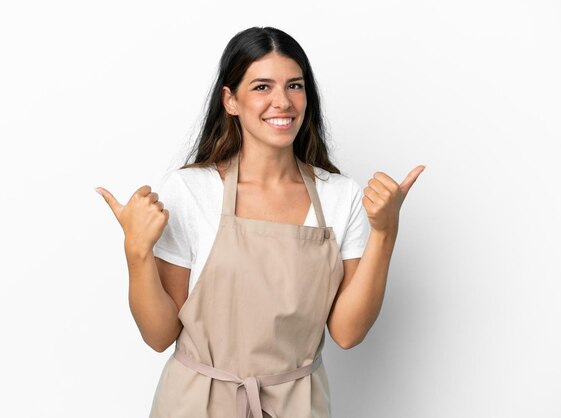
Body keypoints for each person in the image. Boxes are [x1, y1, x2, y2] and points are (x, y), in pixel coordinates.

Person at [96, 26, 424, 418]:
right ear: (230, 100)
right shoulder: (192, 189)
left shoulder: (340, 196)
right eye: (262, 87)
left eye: (295, 86)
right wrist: (136, 250)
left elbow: (348, 333)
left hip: (297, 405)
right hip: (196, 405)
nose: (282, 102)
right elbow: (158, 335)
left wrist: (385, 233)